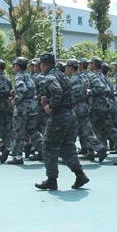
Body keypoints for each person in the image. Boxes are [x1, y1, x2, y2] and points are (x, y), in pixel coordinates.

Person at [35, 53, 90, 191]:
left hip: (59, 116)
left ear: (44, 64)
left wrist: (50, 106)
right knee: (67, 147)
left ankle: (51, 180)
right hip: (70, 114)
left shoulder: (50, 77)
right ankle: (80, 174)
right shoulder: (62, 75)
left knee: (48, 146)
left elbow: (57, 91)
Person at [66, 58, 108, 163]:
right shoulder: (81, 77)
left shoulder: (74, 79)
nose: (66, 69)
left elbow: (76, 94)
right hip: (83, 107)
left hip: (77, 108)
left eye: (67, 67)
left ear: (71, 68)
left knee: (72, 132)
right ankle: (99, 149)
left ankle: (69, 154)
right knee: (86, 132)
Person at [6, 57, 43, 165]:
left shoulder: (19, 76)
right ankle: (45, 150)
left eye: (14, 65)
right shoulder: (29, 76)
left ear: (17, 66)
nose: (13, 68)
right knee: (33, 131)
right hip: (32, 106)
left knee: (19, 132)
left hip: (22, 108)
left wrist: (15, 100)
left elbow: (22, 89)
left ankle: (17, 157)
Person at [89, 56, 117, 159]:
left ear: (94, 65)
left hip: (98, 106)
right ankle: (105, 148)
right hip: (105, 105)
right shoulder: (103, 76)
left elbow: (100, 88)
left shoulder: (94, 76)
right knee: (107, 128)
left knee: (94, 128)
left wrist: (90, 92)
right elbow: (109, 90)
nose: (89, 65)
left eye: (91, 63)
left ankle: (101, 148)